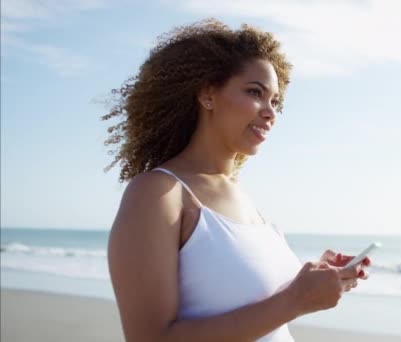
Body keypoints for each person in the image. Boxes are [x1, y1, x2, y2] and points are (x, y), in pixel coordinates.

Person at [104, 19, 371, 342]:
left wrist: (314, 280)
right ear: (207, 95)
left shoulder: (242, 196)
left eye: (275, 101)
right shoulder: (158, 192)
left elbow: (251, 303)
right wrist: (295, 300)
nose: (271, 112)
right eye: (255, 92)